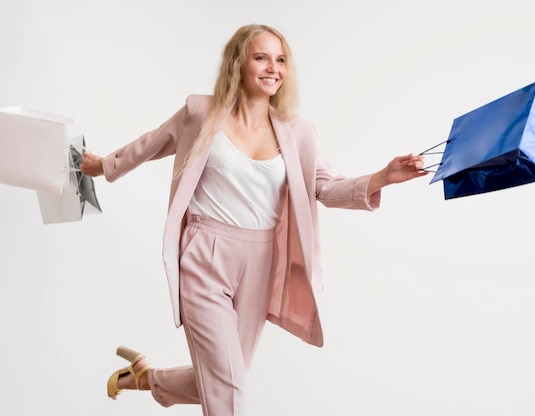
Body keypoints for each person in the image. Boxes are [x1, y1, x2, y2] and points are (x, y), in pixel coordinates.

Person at [80, 23, 429, 416]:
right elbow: (152, 143)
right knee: (229, 389)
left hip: (262, 263)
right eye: (261, 57)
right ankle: (149, 379)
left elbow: (326, 187)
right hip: (204, 254)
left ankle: (145, 378)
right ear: (238, 64)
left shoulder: (298, 133)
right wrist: (103, 165)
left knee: (226, 378)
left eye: (280, 60)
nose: (273, 68)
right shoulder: (201, 113)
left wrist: (383, 177)